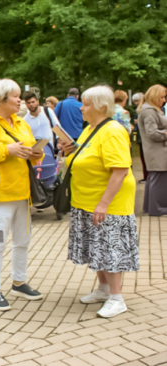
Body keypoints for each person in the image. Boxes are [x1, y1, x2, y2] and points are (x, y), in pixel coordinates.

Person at [60, 85, 138, 318]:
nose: (81, 108)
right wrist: (67, 151)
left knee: (110, 248)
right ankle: (104, 289)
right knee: (97, 248)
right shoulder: (89, 129)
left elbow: (120, 171)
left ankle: (117, 297)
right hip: (86, 200)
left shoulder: (112, 130)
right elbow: (83, 158)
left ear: (102, 106)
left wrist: (103, 204)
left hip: (108, 203)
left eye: (86, 104)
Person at [0, 79, 44, 311]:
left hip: (23, 194)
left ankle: (19, 282)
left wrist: (36, 153)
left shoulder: (21, 122)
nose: (20, 100)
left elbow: (31, 152)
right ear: (0, 98)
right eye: (15, 96)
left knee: (23, 241)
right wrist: (7, 149)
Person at [138, 84, 167, 216]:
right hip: (157, 151)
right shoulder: (149, 111)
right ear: (155, 97)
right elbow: (152, 133)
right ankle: (158, 208)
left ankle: (150, 206)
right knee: (158, 180)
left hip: (155, 150)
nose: (164, 100)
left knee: (153, 179)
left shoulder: (148, 110)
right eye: (162, 97)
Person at [132, 92, 147, 183]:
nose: (136, 103)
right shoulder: (138, 109)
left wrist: (138, 122)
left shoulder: (144, 109)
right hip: (139, 136)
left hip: (144, 137)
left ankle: (147, 176)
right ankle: (145, 175)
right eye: (134, 101)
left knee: (145, 157)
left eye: (137, 101)